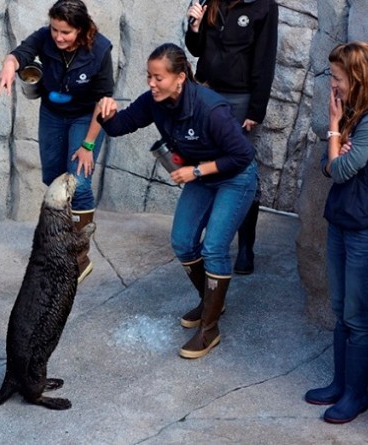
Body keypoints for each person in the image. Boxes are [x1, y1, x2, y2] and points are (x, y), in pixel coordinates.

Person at [96, 43, 257, 359]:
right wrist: (106, 113)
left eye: (158, 78)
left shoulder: (211, 109)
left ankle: (209, 330)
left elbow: (243, 155)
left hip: (235, 177)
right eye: (149, 76)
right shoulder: (155, 102)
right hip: (201, 177)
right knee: (183, 242)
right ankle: (212, 302)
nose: (151, 84)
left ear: (180, 78)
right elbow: (119, 126)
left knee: (213, 247)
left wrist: (195, 171)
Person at [304, 41, 368, 424]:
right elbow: (326, 161)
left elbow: (339, 171)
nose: (333, 85)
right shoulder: (357, 115)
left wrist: (334, 131)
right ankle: (338, 384)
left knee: (359, 317)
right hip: (346, 225)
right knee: (342, 311)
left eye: (337, 77)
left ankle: (355, 396)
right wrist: (337, 144)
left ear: (358, 78)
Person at [0, 0, 114, 284]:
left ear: (81, 29)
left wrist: (87, 146)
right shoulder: (44, 37)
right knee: (53, 178)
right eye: (55, 30)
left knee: (79, 181)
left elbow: (104, 101)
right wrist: (9, 67)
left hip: (85, 118)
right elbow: (19, 54)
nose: (58, 37)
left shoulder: (100, 49)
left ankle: (80, 256)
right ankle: (61, 242)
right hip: (52, 113)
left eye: (65, 32)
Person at [185, 0, 278, 275]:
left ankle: (246, 246)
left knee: (240, 170)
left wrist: (256, 108)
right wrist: (194, 25)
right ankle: (211, 240)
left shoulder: (263, 6)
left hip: (240, 99)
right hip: (206, 91)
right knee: (206, 163)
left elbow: (265, 58)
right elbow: (196, 49)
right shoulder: (210, 1)